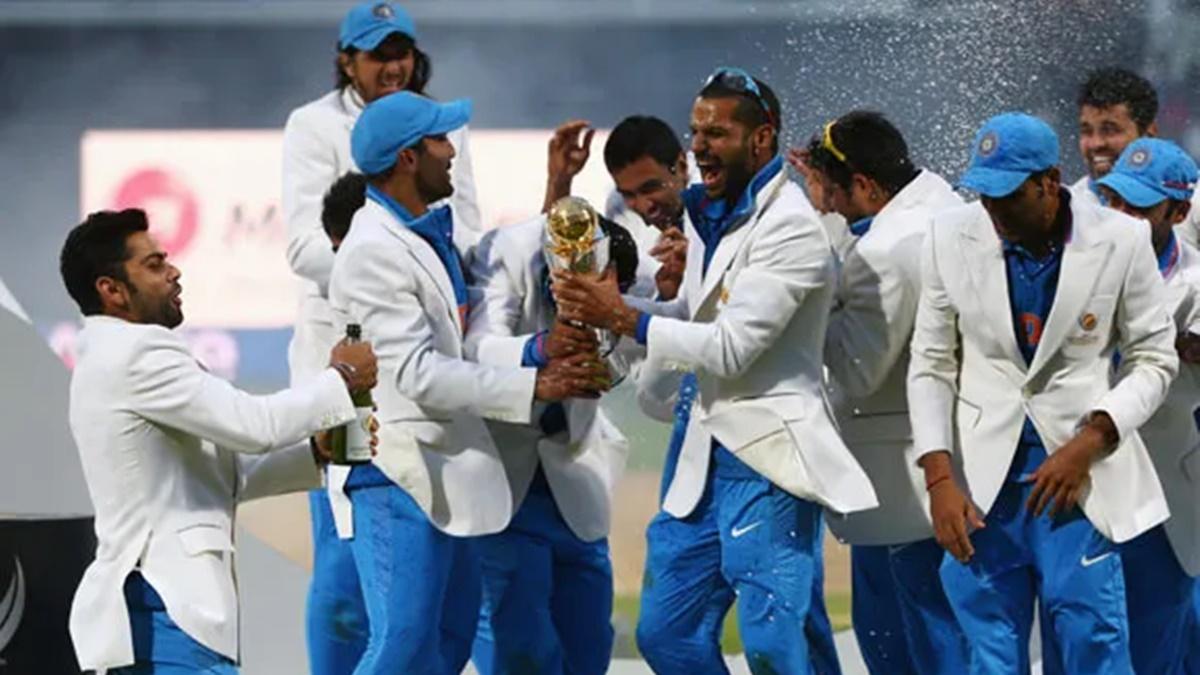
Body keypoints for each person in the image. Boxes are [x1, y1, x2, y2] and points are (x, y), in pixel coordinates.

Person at [553, 67, 876, 673]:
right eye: (696, 130)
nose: (699, 144)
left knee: (774, 645)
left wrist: (624, 317)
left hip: (767, 459)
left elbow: (729, 348)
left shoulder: (791, 229)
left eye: (717, 132)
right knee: (667, 635)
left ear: (762, 139)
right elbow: (691, 316)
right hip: (697, 455)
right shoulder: (709, 213)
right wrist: (611, 308)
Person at [327, 91, 605, 675]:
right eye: (439, 140)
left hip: (444, 473)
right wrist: (536, 386)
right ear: (408, 158)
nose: (451, 151)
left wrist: (556, 187)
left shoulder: (423, 232)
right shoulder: (373, 251)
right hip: (397, 473)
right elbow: (415, 374)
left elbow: (506, 262)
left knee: (445, 648)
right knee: (402, 648)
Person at [909, 112, 1178, 673]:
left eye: (1009, 195)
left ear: (1049, 182)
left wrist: (1092, 439)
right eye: (984, 193)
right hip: (980, 485)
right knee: (988, 654)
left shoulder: (1121, 240)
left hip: (1078, 479)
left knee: (1092, 645)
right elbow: (931, 364)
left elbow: (1155, 359)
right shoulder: (948, 235)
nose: (994, 209)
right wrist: (938, 478)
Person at [60, 208, 378, 674]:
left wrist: (315, 451)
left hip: (166, 615)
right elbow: (254, 426)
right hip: (164, 608)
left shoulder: (114, 354)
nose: (173, 271)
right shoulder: (136, 353)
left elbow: (222, 476)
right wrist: (341, 379)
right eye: (152, 265)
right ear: (111, 291)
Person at [279, 4, 480, 672]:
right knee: (343, 572)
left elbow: (466, 230)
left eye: (401, 52)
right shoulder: (312, 126)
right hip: (339, 373)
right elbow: (305, 245)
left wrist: (425, 276)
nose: (392, 66)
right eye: (376, 54)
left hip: (423, 369)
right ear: (346, 60)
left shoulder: (436, 125)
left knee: (429, 583)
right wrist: (390, 268)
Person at [802, 110, 968, 674]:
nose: (822, 203)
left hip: (899, 474)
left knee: (910, 643)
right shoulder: (942, 203)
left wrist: (816, 255)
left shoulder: (884, 251)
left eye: (827, 191)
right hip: (945, 456)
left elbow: (855, 370)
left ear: (867, 187)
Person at [464, 197, 639, 675]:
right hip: (505, 489)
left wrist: (612, 353)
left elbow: (639, 361)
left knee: (588, 650)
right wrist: (542, 350)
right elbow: (475, 349)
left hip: (575, 485)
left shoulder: (620, 274)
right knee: (523, 653)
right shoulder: (508, 256)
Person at [1095, 137, 1200, 674]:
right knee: (1082, 644)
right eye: (1114, 201)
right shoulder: (1080, 257)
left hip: (1163, 491)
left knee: (1155, 649)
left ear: (1178, 212)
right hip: (1086, 482)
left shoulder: (1196, 280)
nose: (1122, 217)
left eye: (1139, 207)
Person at [1072, 67, 1200, 249]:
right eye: (1086, 131)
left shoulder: (1193, 197)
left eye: (1110, 130)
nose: (1096, 143)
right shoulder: (1069, 207)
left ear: (1149, 133)